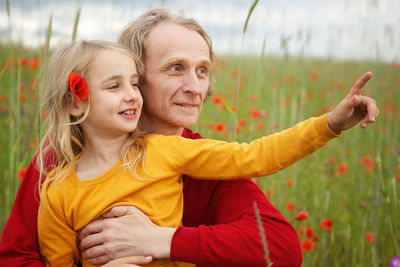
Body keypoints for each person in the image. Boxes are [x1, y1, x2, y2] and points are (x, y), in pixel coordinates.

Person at [0, 8, 378, 267]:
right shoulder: (61, 159)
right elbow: (20, 256)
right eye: (176, 68)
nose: (195, 87)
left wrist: (161, 240)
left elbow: (280, 246)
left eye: (202, 71)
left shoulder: (189, 154)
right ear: (136, 72)